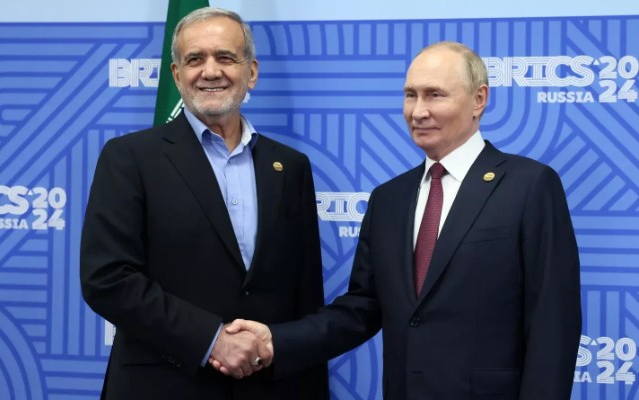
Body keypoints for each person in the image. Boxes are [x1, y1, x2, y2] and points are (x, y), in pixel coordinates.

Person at [221, 41, 582, 399]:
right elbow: (361, 309)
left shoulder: (529, 186)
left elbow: (553, 323)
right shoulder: (389, 199)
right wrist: (276, 340)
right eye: (411, 95)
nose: (418, 111)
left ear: (479, 99)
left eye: (435, 95)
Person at [80, 7, 328, 400]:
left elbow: (306, 298)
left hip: (269, 389)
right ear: (177, 75)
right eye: (195, 59)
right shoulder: (129, 158)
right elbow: (107, 279)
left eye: (225, 57)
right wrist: (212, 339)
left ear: (251, 72)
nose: (210, 71)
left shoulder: (290, 167)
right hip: (162, 387)